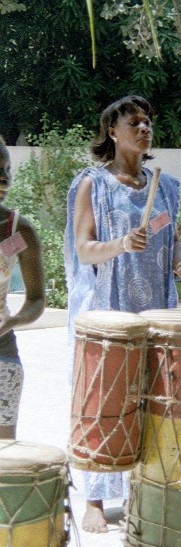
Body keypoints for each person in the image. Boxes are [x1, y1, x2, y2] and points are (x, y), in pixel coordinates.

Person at [64, 94, 181, 534]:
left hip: (157, 307)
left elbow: (171, 239)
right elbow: (84, 251)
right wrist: (121, 244)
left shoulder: (167, 187)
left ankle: (148, 485)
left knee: (158, 396)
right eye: (135, 122)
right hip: (109, 307)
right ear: (112, 131)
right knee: (104, 398)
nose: (145, 129)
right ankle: (96, 499)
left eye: (148, 122)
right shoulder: (93, 184)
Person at [0, 136, 46, 439]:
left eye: (7, 169)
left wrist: (14, 320)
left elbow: (37, 299)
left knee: (4, 456)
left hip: (2, 352)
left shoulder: (19, 229)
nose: (4, 178)